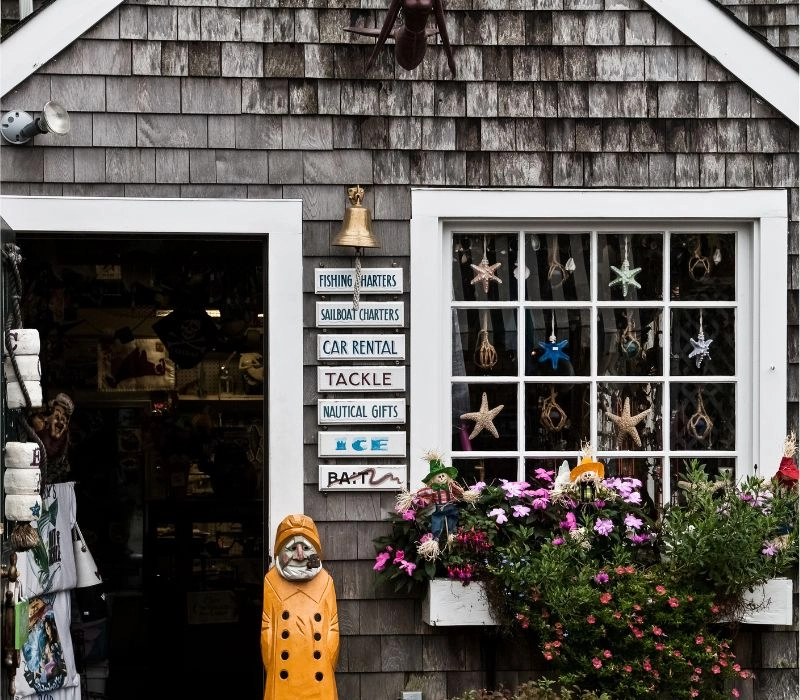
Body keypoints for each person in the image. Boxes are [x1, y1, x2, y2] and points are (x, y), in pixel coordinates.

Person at [261, 514, 339, 700]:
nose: (300, 554)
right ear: (280, 551)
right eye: (291, 548)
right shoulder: (271, 581)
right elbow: (267, 627)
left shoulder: (325, 581)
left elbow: (332, 627)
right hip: (283, 676)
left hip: (318, 677)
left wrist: (328, 659)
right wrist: (272, 663)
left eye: (305, 547)